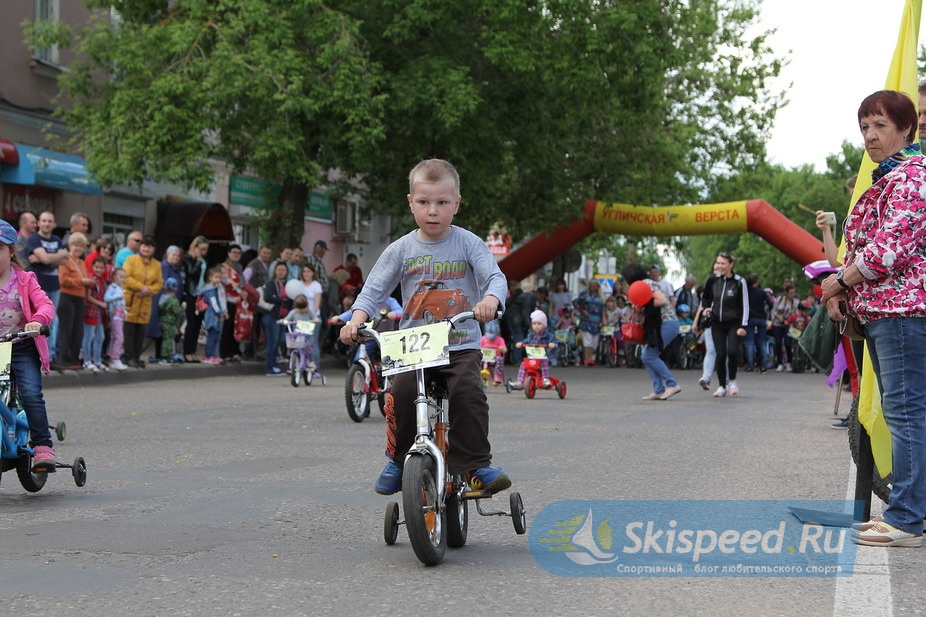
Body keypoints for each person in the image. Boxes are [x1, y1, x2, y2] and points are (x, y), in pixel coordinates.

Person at [338, 158, 510, 496]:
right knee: (399, 393)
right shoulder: (401, 248)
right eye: (424, 202)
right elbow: (373, 291)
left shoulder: (468, 243)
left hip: (460, 344)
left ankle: (476, 464)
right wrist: (357, 320)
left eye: (442, 203)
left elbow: (494, 278)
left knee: (467, 392)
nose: (433, 211)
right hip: (414, 348)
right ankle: (400, 458)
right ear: (411, 203)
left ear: (456, 204)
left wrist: (490, 299)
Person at [821, 89, 926, 547]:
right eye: (865, 126)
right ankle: (908, 512)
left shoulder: (913, 177)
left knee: (906, 417)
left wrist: (840, 281)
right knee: (906, 415)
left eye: (881, 125)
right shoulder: (890, 178)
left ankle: (905, 520)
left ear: (906, 129)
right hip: (887, 313)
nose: (870, 135)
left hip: (902, 313)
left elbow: (890, 249)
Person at [0, 219, 57, 466]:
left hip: (20, 346)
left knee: (32, 393)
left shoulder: (24, 279)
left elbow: (45, 303)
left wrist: (37, 321)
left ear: (11, 251)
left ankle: (43, 444)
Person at [622, 263, 682, 400]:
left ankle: (672, 384)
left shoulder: (646, 283)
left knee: (649, 355)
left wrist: (643, 305)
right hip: (662, 323)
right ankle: (659, 389)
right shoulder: (643, 285)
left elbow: (661, 300)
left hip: (666, 322)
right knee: (646, 355)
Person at [699, 252, 748, 397]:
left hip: (734, 324)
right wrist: (706, 309)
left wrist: (743, 326)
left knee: (732, 352)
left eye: (723, 263)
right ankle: (721, 386)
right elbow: (705, 299)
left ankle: (732, 380)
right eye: (718, 263)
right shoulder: (712, 280)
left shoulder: (739, 282)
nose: (719, 266)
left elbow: (745, 305)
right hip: (717, 323)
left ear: (731, 265)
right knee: (720, 354)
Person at [25, 210, 68, 364]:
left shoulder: (57, 239)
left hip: (54, 285)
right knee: (37, 319)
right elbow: (55, 258)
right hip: (38, 285)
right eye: (44, 221)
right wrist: (57, 255)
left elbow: (65, 260)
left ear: (54, 224)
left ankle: (51, 356)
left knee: (53, 320)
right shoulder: (34, 238)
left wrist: (46, 258)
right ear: (38, 223)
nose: (47, 224)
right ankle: (39, 354)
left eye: (50, 221)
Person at [123, 235, 163, 369]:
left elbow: (159, 283)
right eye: (144, 246)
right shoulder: (131, 260)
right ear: (140, 247)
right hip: (132, 298)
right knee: (129, 330)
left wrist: (148, 290)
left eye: (149, 246)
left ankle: (136, 356)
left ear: (153, 249)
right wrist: (140, 287)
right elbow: (126, 277)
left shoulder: (157, 265)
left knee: (141, 332)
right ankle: (128, 356)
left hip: (145, 301)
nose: (146, 249)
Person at [57, 232, 92, 370]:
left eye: (81, 246)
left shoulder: (82, 263)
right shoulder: (65, 260)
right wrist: (81, 281)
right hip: (67, 296)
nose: (78, 248)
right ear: (70, 245)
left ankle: (74, 358)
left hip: (80, 298)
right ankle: (64, 359)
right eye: (75, 245)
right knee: (66, 329)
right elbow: (63, 280)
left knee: (78, 330)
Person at [513, 309, 557, 388]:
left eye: (539, 324)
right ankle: (520, 381)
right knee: (523, 364)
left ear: (544, 325)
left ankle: (545, 379)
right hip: (532, 358)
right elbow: (525, 341)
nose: (536, 326)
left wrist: (552, 345)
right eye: (534, 323)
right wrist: (521, 344)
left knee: (543, 361)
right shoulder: (531, 336)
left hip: (544, 358)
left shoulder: (549, 336)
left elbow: (555, 345)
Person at [181, 236, 208, 363]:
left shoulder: (203, 260)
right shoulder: (188, 258)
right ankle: (186, 352)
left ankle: (193, 351)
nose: (203, 252)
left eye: (205, 250)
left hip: (201, 294)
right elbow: (191, 273)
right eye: (201, 249)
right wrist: (197, 260)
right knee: (191, 323)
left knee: (198, 324)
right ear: (195, 247)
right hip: (191, 294)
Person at [262, 261, 292, 376]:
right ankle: (270, 368)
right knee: (272, 342)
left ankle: (273, 366)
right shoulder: (271, 283)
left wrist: (285, 302)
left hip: (282, 317)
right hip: (271, 316)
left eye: (283, 270)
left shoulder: (287, 284)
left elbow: (290, 300)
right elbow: (268, 297)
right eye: (278, 269)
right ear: (274, 271)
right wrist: (281, 300)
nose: (280, 272)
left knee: (278, 342)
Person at [242, 244, 272, 359]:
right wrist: (250, 292)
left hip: (262, 302)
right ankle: (248, 352)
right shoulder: (253, 265)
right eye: (265, 253)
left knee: (259, 329)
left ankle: (256, 353)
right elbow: (244, 279)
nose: (267, 255)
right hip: (254, 301)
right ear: (260, 252)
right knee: (252, 327)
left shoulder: (266, 265)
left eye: (269, 254)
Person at [81, 256, 108, 373]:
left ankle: (97, 360)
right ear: (92, 267)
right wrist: (101, 303)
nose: (99, 269)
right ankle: (87, 361)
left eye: (101, 267)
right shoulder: (91, 279)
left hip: (98, 313)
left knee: (100, 336)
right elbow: (87, 296)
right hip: (90, 311)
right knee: (89, 337)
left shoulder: (102, 280)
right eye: (96, 267)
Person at [743, 273, 772, 373]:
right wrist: (766, 311)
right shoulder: (762, 292)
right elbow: (771, 304)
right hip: (761, 318)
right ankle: (763, 366)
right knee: (762, 342)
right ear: (756, 282)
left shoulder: (746, 292)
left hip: (749, 318)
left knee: (749, 343)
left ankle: (750, 366)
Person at [199, 266, 227, 365]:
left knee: (216, 337)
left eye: (219, 277)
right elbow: (214, 303)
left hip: (216, 315)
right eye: (216, 277)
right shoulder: (210, 290)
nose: (218, 279)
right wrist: (220, 313)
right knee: (211, 336)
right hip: (212, 316)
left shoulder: (216, 288)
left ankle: (214, 356)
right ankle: (207, 356)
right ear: (210, 277)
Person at [104, 268, 129, 371]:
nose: (123, 279)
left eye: (124, 277)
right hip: (114, 316)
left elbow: (121, 304)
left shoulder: (119, 288)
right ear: (114, 277)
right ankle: (115, 358)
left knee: (115, 337)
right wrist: (118, 296)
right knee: (119, 337)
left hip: (119, 316)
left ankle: (113, 357)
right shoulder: (113, 287)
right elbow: (106, 298)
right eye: (121, 276)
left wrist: (125, 312)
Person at [575, 279, 604, 366]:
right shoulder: (584, 294)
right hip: (586, 320)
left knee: (594, 343)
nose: (592, 287)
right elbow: (576, 303)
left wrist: (603, 320)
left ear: (597, 287)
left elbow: (603, 309)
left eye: (594, 286)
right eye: (591, 286)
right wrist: (582, 310)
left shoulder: (600, 297)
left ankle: (590, 358)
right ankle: (587, 359)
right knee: (588, 341)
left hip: (596, 321)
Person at [771, 285, 800, 372]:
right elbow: (774, 311)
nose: (792, 295)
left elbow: (797, 313)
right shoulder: (779, 300)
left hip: (789, 325)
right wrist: (781, 319)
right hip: (778, 324)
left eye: (794, 293)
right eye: (791, 293)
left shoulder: (795, 302)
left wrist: (790, 320)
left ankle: (789, 362)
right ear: (786, 293)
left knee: (788, 343)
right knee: (778, 343)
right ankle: (779, 363)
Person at [157, 277, 183, 365]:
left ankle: (166, 355)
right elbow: (177, 311)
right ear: (176, 289)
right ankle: (164, 357)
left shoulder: (162, 298)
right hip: (170, 322)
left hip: (162, 321)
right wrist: (183, 307)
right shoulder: (173, 300)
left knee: (165, 339)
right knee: (168, 340)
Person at [480, 320, 507, 385]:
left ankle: (497, 376)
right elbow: (479, 347)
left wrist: (502, 349)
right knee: (477, 359)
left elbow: (505, 350)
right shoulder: (483, 338)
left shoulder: (500, 339)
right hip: (485, 358)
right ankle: (483, 376)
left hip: (495, 358)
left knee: (500, 359)